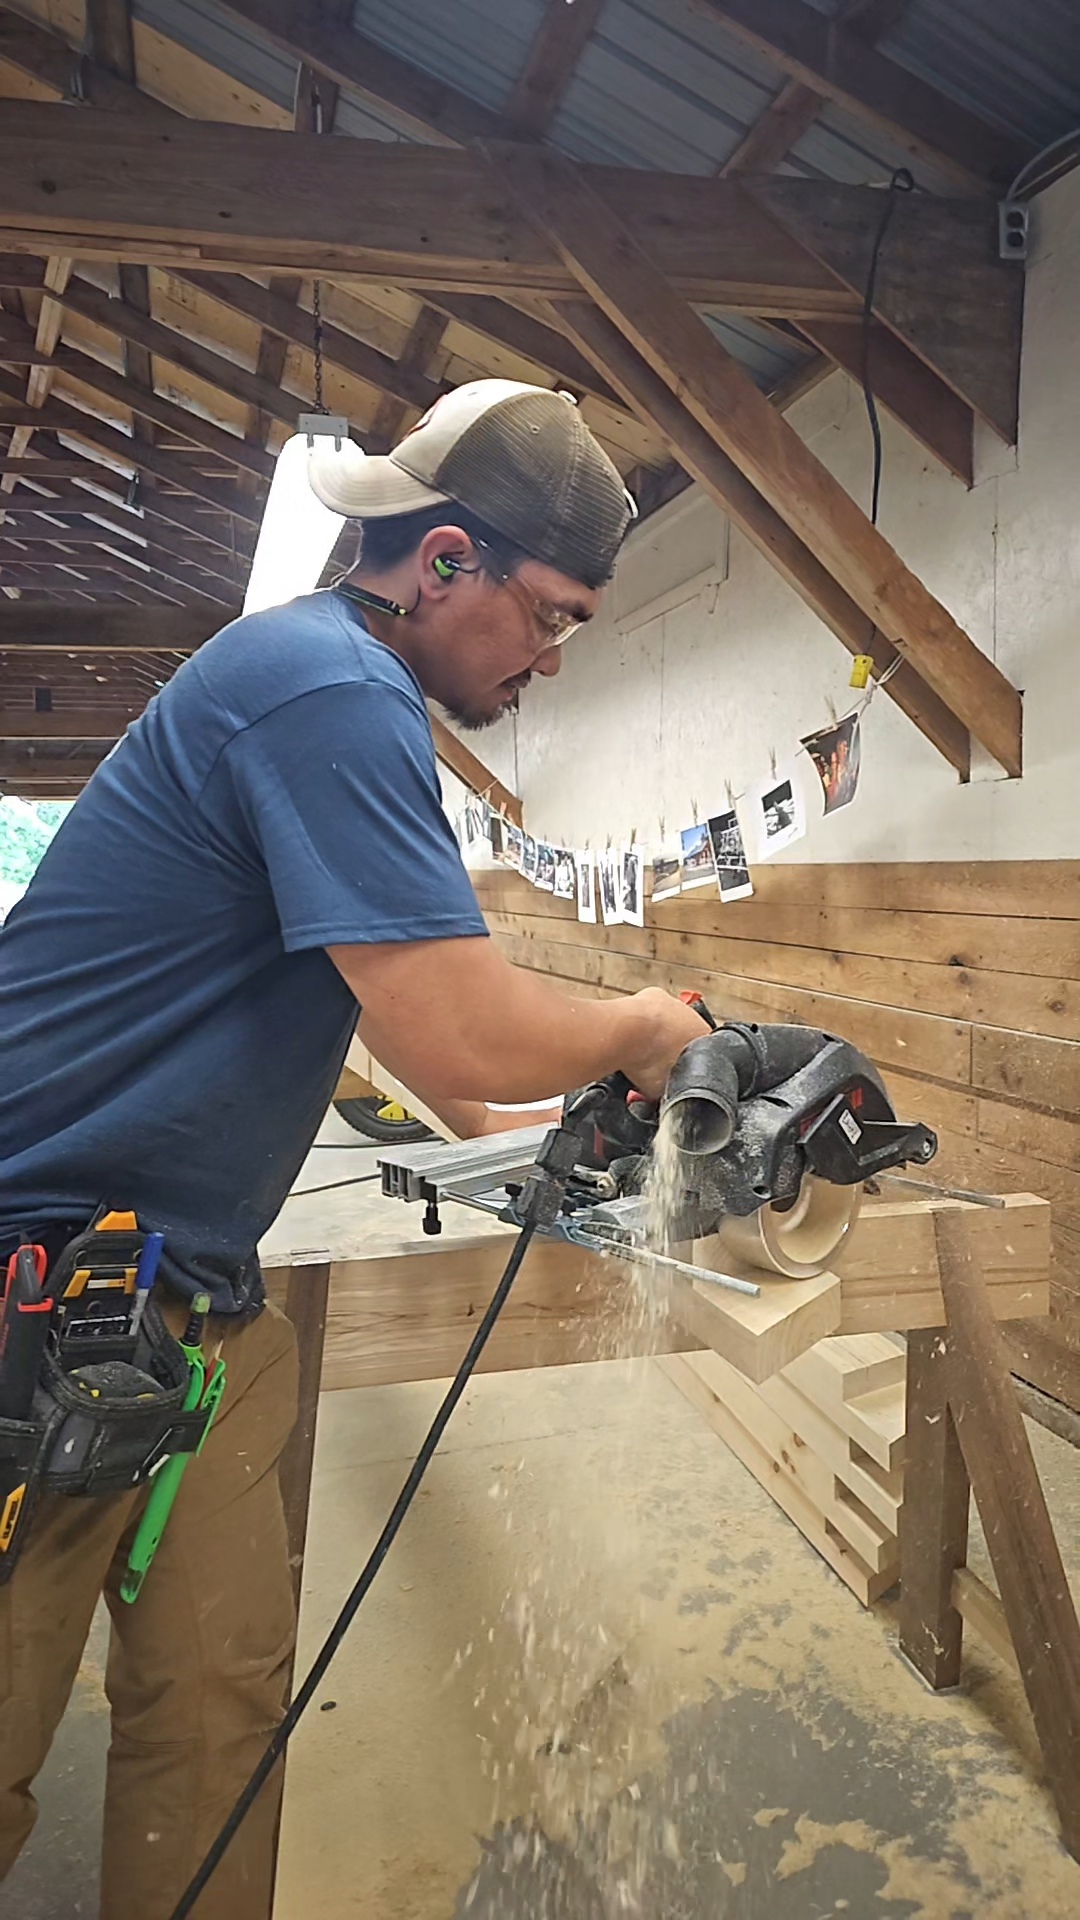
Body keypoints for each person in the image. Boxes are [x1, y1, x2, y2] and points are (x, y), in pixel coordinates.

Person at [0, 380, 706, 1918]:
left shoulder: (332, 694)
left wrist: (595, 1141)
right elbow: (458, 1032)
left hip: (190, 1299)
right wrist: (647, 1027)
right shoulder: (324, 686)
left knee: (217, 1712)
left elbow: (451, 1072)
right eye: (550, 614)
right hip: (30, 1288)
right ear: (444, 561)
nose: (551, 656)